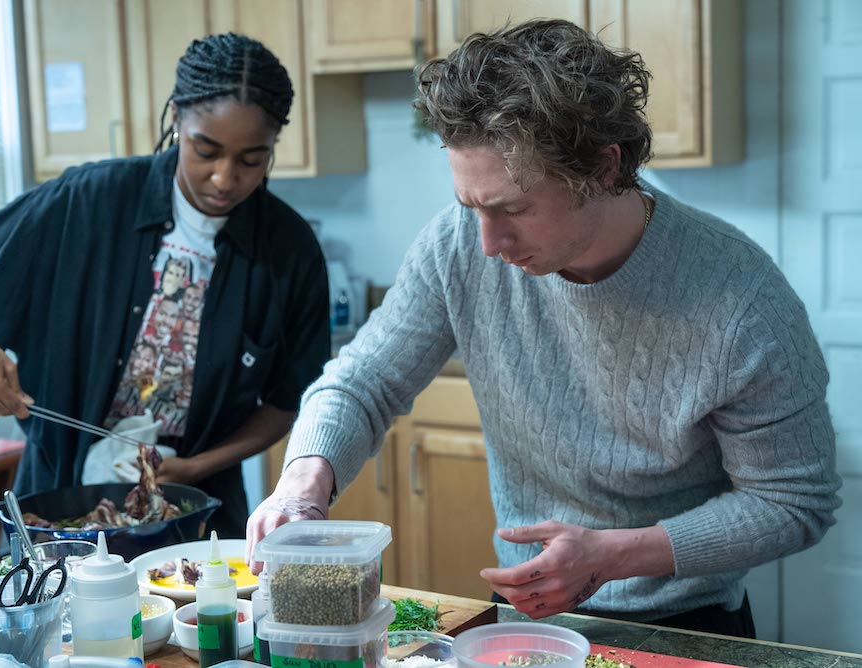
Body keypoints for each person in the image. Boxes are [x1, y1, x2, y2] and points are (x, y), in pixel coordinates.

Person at [246, 20, 842, 637]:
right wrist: (303, 481)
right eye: (470, 206)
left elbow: (793, 502)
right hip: (528, 621)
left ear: (605, 170)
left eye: (514, 209)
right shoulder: (458, 248)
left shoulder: (742, 299)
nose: (488, 242)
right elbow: (362, 382)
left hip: (687, 626)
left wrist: (614, 555)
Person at [0, 33, 330, 538]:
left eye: (252, 160)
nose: (224, 178)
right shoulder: (89, 201)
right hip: (57, 516)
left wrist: (195, 467)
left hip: (201, 517)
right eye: (205, 150)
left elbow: (287, 402)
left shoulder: (288, 249)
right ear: (176, 119)